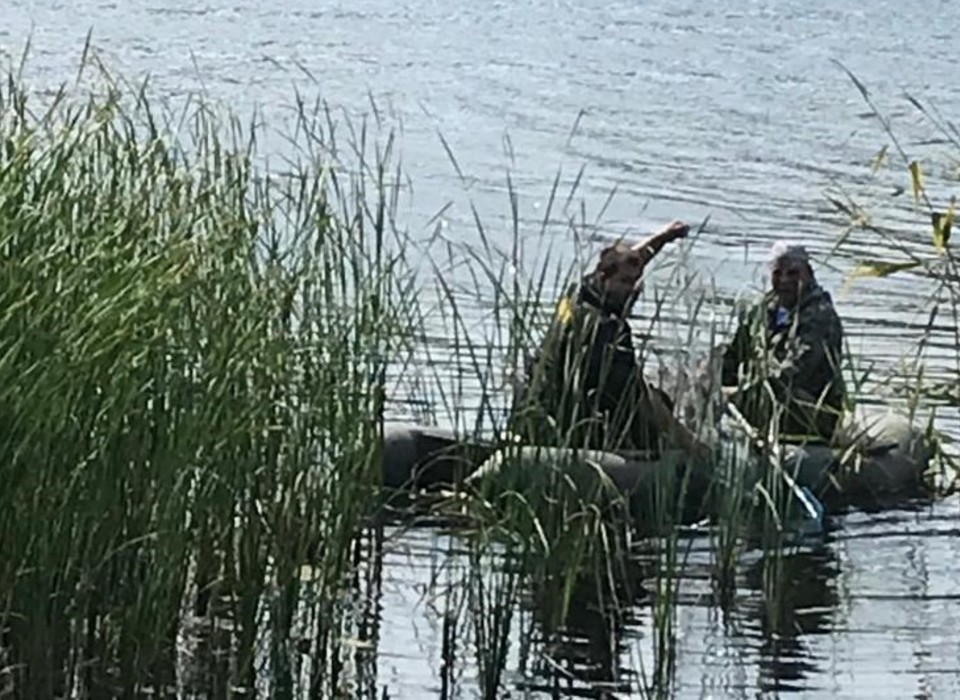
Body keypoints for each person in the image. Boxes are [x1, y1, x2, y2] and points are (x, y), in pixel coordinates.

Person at [511, 220, 709, 460]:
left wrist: (664, 237)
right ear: (604, 277)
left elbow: (628, 262)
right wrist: (693, 446)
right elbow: (640, 400)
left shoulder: (578, 294)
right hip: (574, 429)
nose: (633, 290)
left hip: (538, 408)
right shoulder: (607, 330)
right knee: (659, 404)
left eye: (636, 283)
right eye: (626, 283)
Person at [720, 242, 846, 443]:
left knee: (782, 394)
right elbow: (735, 353)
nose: (784, 280)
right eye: (778, 273)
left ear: (808, 274)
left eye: (793, 273)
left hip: (807, 410)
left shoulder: (820, 317)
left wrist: (739, 394)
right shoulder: (764, 309)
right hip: (761, 397)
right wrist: (713, 378)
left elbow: (793, 373)